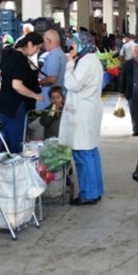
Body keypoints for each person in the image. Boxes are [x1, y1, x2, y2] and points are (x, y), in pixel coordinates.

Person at [58, 31, 104, 206]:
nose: (72, 48)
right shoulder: (93, 60)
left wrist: (69, 65)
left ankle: (88, 194)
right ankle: (96, 190)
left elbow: (72, 84)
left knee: (82, 154)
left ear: (83, 45)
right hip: (90, 110)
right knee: (91, 152)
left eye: (75, 45)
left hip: (83, 113)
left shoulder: (85, 62)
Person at [0, 32, 43, 153]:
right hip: (14, 106)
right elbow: (17, 85)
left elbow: (0, 71)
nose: (37, 51)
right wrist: (35, 95)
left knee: (10, 141)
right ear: (30, 44)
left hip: (4, 104)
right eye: (37, 47)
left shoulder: (11, 55)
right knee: (17, 145)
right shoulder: (20, 60)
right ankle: (16, 169)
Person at [37, 30, 66, 109]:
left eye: (44, 42)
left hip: (49, 100)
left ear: (49, 41)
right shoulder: (61, 54)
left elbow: (52, 79)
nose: (43, 45)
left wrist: (39, 83)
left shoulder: (54, 56)